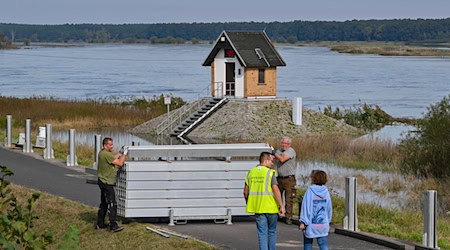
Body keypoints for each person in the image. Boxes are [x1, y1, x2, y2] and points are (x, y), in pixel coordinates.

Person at [244, 152, 285, 250]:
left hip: (258, 208)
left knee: (262, 234)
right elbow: (276, 190)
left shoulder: (251, 172)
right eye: (271, 161)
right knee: (272, 232)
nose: (272, 163)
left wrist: (248, 202)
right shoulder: (270, 173)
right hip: (271, 208)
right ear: (265, 160)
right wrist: (281, 206)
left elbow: (245, 192)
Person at [96, 137, 127, 232]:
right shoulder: (106, 154)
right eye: (110, 145)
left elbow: (114, 157)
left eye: (112, 144)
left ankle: (100, 223)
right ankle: (113, 225)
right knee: (112, 203)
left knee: (104, 203)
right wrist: (125, 154)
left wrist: (120, 153)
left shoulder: (102, 153)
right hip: (107, 182)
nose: (112, 146)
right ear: (105, 145)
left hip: (102, 180)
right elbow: (120, 163)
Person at [299, 170, 332, 250]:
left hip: (311, 224)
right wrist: (328, 220)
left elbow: (306, 207)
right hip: (322, 224)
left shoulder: (310, 191)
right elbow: (329, 208)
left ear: (313, 179)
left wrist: (303, 221)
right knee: (323, 245)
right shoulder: (326, 192)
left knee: (308, 244)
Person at [273, 136, 297, 224]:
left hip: (289, 178)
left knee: (289, 198)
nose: (284, 145)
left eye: (286, 143)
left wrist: (274, 153)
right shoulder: (279, 151)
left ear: (289, 144)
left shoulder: (291, 151)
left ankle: (288, 217)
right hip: (279, 177)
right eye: (282, 143)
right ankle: (279, 213)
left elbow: (282, 159)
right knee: (278, 197)